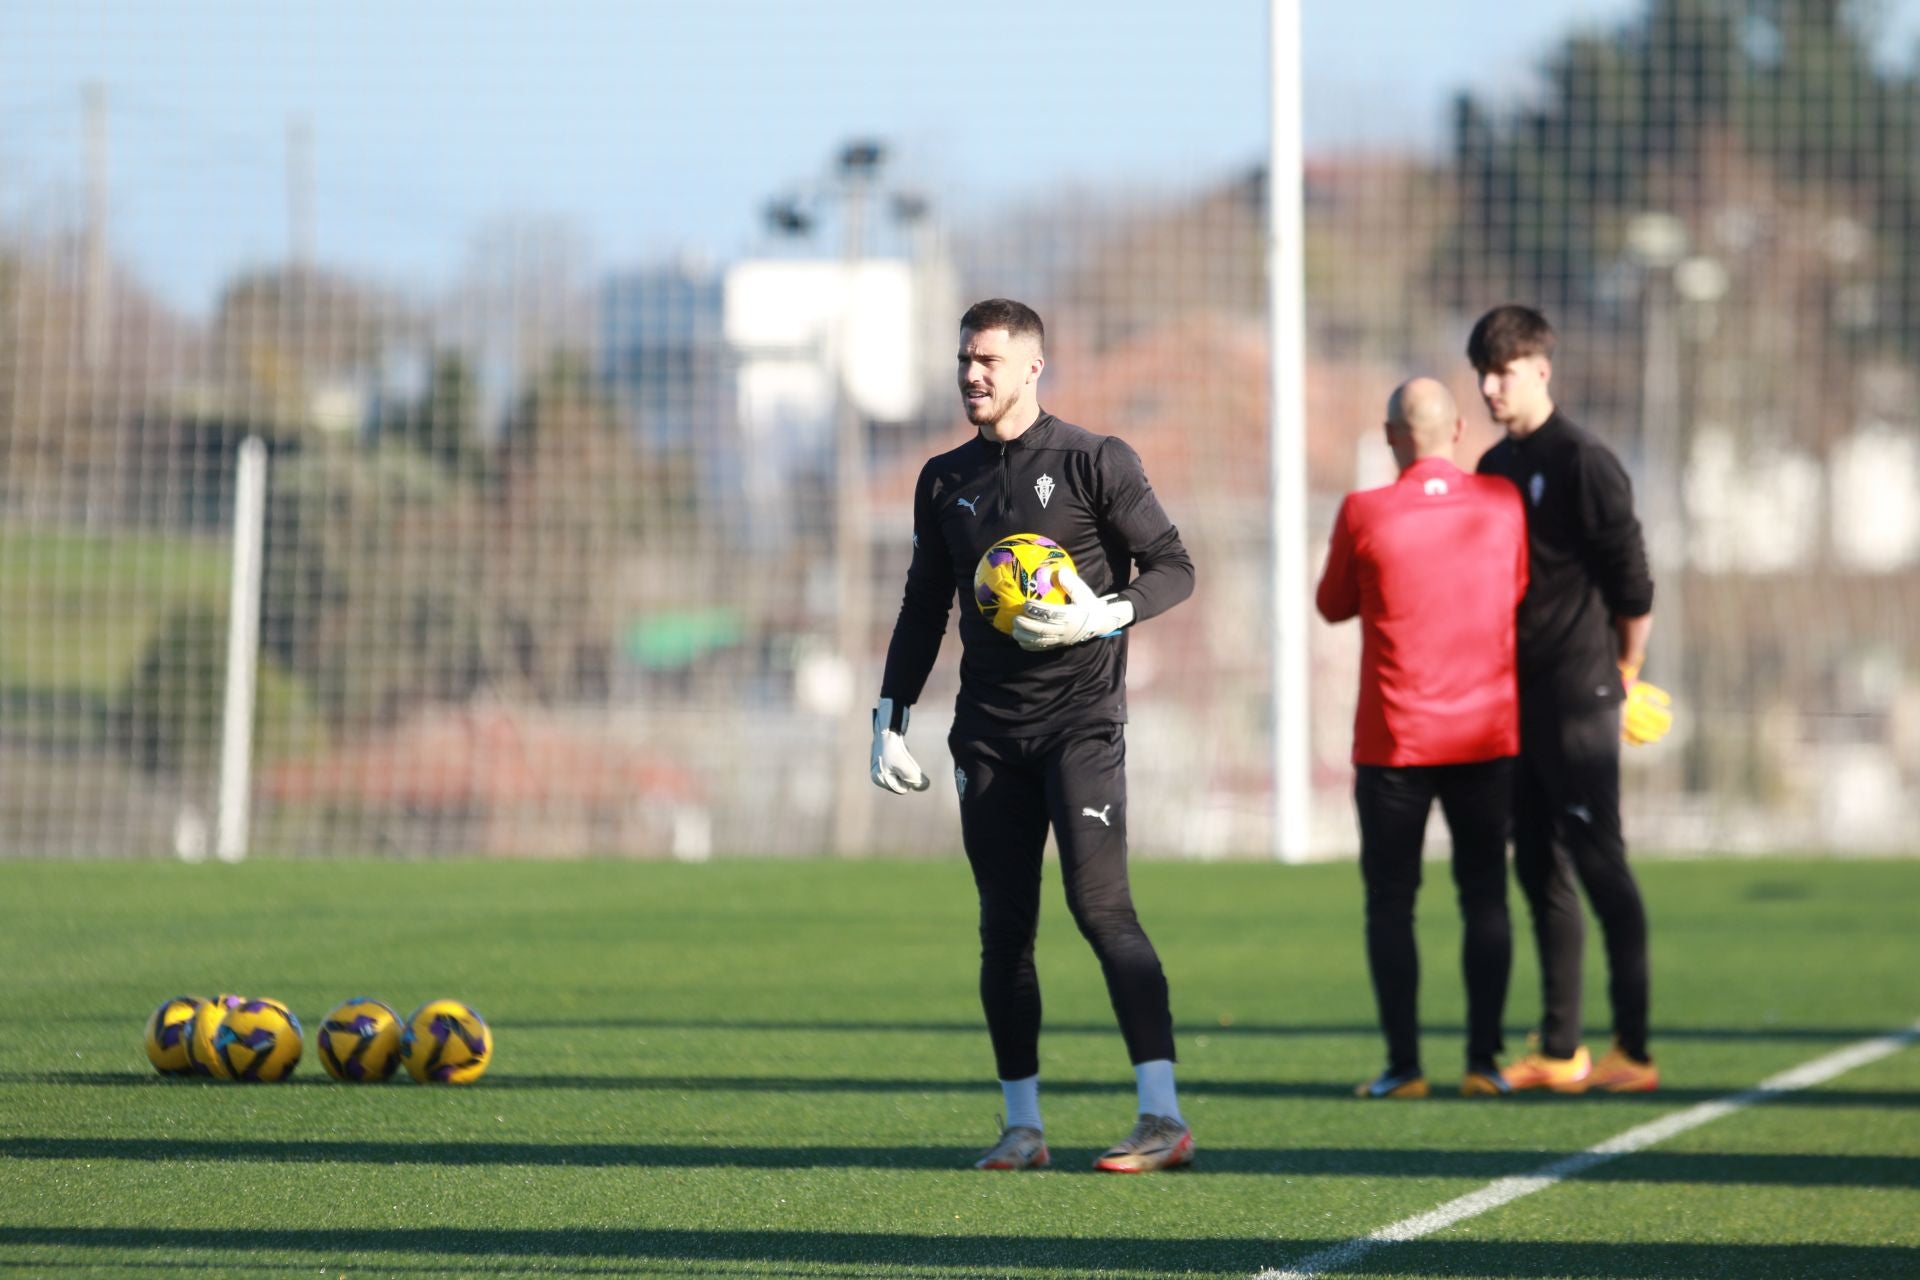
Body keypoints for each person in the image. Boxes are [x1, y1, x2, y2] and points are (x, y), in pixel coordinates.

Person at [870, 297, 1197, 1172]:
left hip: (1081, 727)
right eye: (963, 360)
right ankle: (1024, 1126)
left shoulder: (1094, 460)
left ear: (1031, 367)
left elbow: (1175, 567)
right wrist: (889, 716)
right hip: (987, 737)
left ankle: (1162, 1117)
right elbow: (921, 606)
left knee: (1100, 908)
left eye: (987, 360)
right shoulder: (942, 478)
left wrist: (1106, 614)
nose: (972, 375)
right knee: (1003, 929)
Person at [1469, 304, 1674, 1094]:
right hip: (1513, 700)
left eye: (1505, 371)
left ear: (1541, 369)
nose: (1491, 385)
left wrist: (1625, 670)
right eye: (1483, 372)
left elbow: (1633, 579)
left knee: (1600, 865)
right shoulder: (1493, 468)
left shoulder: (1585, 459)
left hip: (1582, 695)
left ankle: (1635, 1048)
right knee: (1538, 869)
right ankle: (1561, 1050)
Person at [1317, 377, 1528, 1100]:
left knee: (1391, 901)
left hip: (1394, 744)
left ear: (1388, 437)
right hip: (1485, 737)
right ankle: (1484, 1063)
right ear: (1459, 431)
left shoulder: (1363, 510)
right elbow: (1518, 589)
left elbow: (1332, 604)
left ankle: (1404, 1067)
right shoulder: (1503, 505)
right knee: (1485, 898)